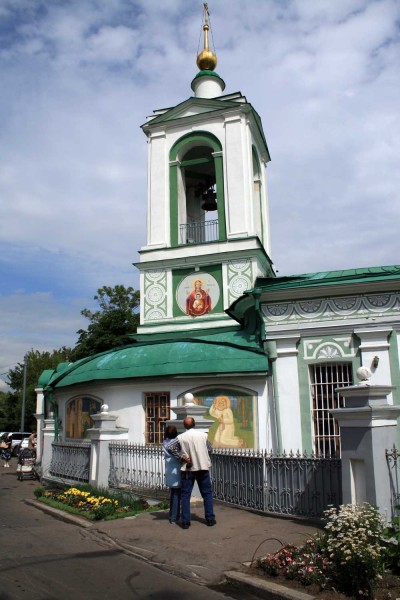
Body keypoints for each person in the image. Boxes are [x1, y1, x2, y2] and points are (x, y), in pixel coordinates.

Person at [167, 417, 216, 529]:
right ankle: (210, 518)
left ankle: (186, 521)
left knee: (185, 495)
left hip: (188, 469)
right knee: (207, 494)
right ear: (194, 424)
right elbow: (209, 449)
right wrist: (202, 456)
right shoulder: (203, 435)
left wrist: (182, 457)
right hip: (202, 467)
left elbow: (170, 447)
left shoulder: (181, 437)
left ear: (184, 426)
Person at [162, 425, 182, 524]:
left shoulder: (165, 442)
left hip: (169, 468)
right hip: (176, 469)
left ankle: (172, 514)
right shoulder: (175, 443)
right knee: (176, 494)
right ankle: (174, 516)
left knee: (173, 493)